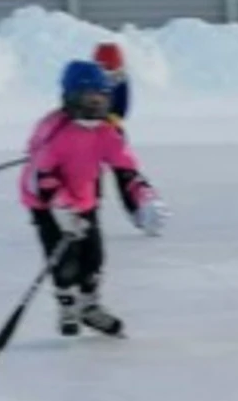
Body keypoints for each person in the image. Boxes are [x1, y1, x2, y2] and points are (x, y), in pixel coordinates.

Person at [20, 60, 168, 338]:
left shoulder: (105, 132)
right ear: (72, 96)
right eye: (89, 98)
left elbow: (125, 168)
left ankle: (89, 307)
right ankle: (67, 305)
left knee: (94, 255)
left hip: (84, 199)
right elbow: (39, 178)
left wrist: (143, 195)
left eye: (101, 98)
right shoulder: (55, 131)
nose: (95, 105)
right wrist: (61, 207)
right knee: (64, 258)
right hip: (45, 204)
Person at [92, 41, 150, 228]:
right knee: (89, 176)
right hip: (89, 136)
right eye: (104, 71)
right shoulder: (89, 81)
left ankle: (137, 209)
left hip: (112, 135)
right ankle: (88, 213)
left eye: (112, 71)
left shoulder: (122, 81)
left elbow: (122, 110)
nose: (109, 77)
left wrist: (109, 119)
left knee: (124, 174)